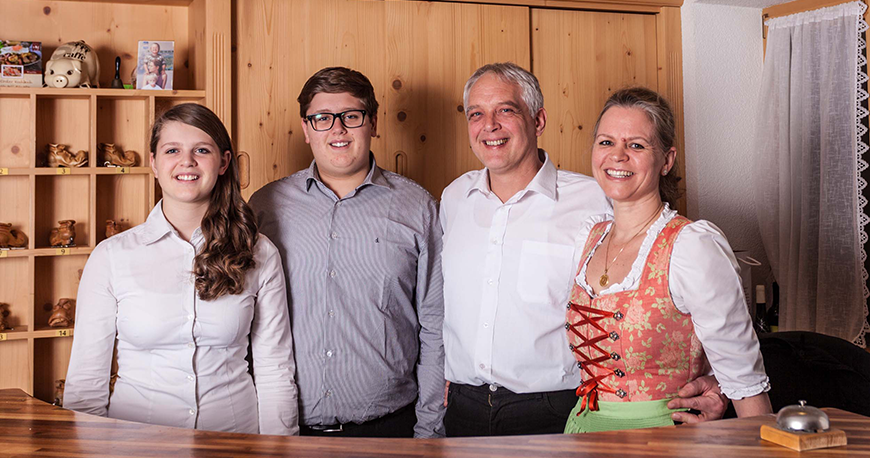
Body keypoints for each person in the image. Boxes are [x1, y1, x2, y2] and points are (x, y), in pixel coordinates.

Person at [440, 62, 730, 437]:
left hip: (556, 410)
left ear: (538, 120)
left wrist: (718, 381)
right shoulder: (454, 199)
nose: (489, 125)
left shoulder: (597, 199)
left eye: (505, 110)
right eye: (476, 114)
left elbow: (680, 286)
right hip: (463, 410)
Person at [64, 103, 299, 436]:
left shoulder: (259, 252)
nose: (186, 161)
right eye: (172, 150)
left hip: (234, 442)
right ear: (154, 163)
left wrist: (281, 449)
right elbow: (87, 381)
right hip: (135, 445)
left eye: (201, 150)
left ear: (223, 163)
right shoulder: (111, 257)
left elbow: (275, 368)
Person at [248, 67, 445, 438]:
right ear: (306, 129)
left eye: (351, 116)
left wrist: (430, 431)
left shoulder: (419, 209)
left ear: (372, 123)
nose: (337, 129)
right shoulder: (264, 207)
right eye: (323, 118)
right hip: (285, 431)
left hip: (389, 432)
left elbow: (435, 327)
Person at [563, 87, 771, 434]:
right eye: (606, 142)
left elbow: (743, 377)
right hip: (582, 432)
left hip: (664, 436)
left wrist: (763, 442)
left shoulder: (691, 246)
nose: (617, 156)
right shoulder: (588, 238)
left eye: (636, 145)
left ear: (667, 160)